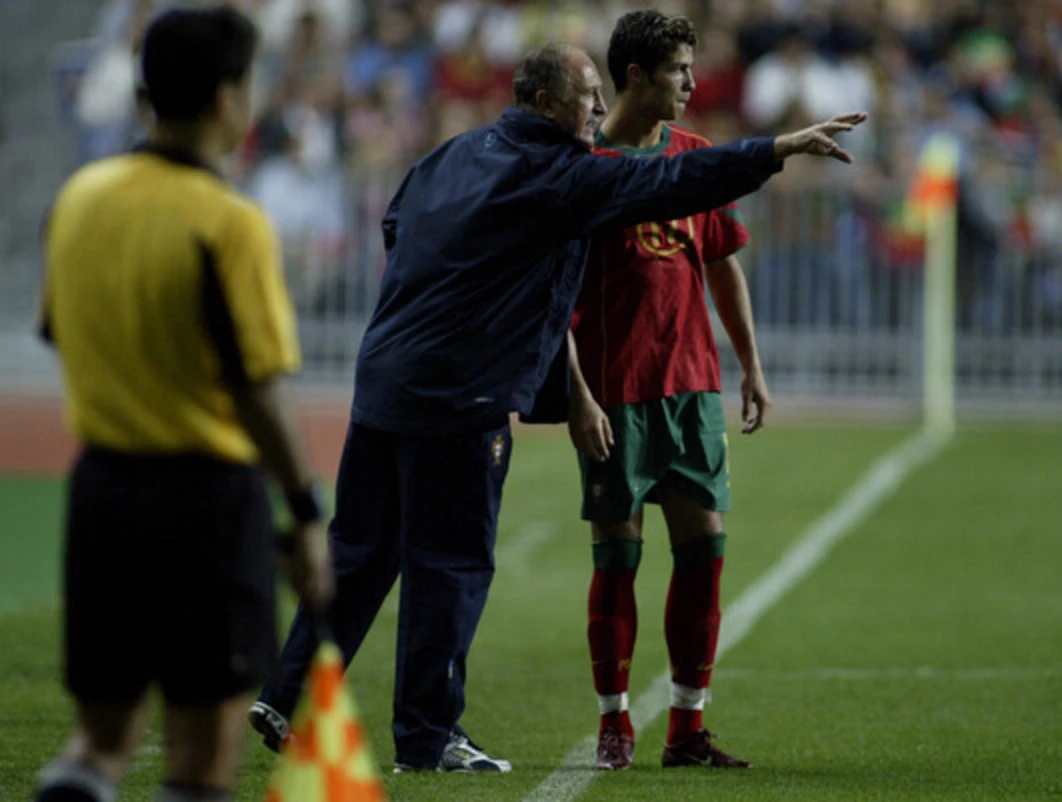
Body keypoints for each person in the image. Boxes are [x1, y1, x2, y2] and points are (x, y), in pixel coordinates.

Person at [248, 40, 865, 774]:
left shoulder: (454, 152)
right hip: (459, 394)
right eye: (586, 94)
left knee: (359, 554)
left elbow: (395, 226)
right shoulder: (561, 175)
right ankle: (427, 737)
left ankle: (283, 696)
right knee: (449, 564)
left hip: (384, 378)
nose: (600, 106)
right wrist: (775, 149)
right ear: (546, 104)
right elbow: (675, 181)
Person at [31, 8, 332, 802]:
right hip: (203, 501)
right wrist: (304, 511)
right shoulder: (228, 220)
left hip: (100, 492)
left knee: (98, 741)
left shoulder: (82, 197)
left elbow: (59, 329)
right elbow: (257, 387)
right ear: (229, 94)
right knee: (201, 763)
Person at [567, 10, 775, 771]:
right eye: (680, 69)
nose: (693, 82)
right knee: (616, 556)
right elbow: (553, 298)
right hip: (616, 390)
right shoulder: (583, 166)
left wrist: (750, 363)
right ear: (636, 77)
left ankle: (686, 729)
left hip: (691, 388)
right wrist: (578, 392)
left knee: (705, 552)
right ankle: (614, 721)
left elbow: (721, 261)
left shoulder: (693, 158)